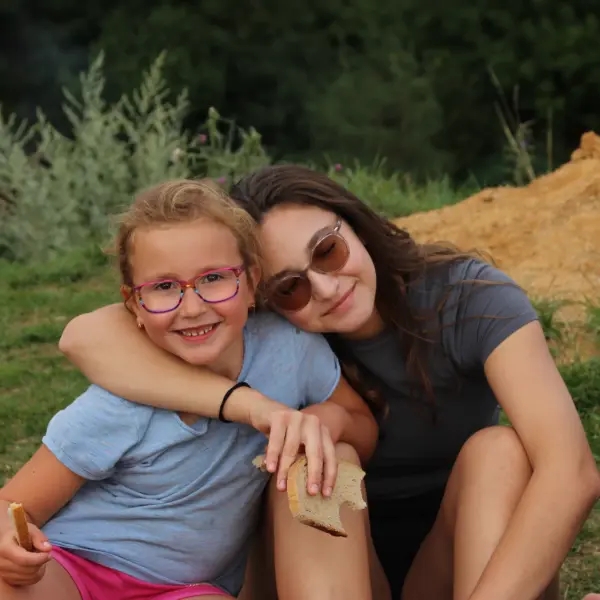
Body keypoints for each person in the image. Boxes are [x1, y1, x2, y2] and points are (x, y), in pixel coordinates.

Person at [59, 165, 600, 600]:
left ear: (356, 225)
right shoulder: (268, 334)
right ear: (258, 293)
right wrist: (247, 404)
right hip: (321, 564)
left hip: (467, 559)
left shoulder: (468, 297)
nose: (323, 287)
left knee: (499, 449)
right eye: (289, 286)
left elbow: (570, 470)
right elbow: (83, 337)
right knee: (314, 459)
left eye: (327, 251)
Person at [0, 179, 379, 600]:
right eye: (163, 287)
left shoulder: (289, 351)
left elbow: (362, 427)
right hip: (74, 567)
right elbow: (13, 504)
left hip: (186, 590)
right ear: (133, 305)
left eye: (214, 278)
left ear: (252, 281)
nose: (193, 307)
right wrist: (8, 541)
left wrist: (326, 418)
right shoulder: (119, 400)